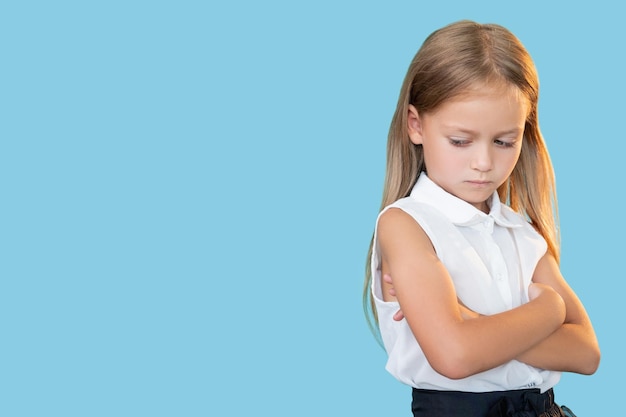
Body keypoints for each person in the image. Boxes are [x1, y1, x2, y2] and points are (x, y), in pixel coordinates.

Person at [363, 20, 600, 417]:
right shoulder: (406, 226)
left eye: (504, 142)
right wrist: (550, 311)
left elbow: (587, 353)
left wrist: (477, 323)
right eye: (460, 141)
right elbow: (455, 355)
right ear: (416, 125)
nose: (484, 163)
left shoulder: (522, 234)